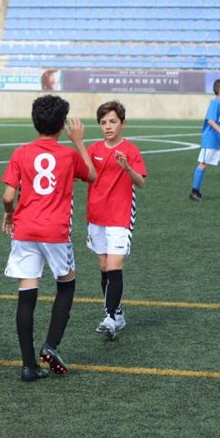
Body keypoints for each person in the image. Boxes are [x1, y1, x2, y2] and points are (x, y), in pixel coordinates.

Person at [0, 95, 96, 382]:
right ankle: (50, 345)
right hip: (55, 231)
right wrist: (78, 141)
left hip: (25, 230)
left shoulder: (21, 152)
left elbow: (8, 195)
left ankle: (28, 365)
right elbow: (91, 174)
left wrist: (9, 213)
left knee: (26, 294)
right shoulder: (68, 155)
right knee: (66, 284)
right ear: (62, 124)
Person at [86, 101, 146, 341]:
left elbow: (141, 182)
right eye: (103, 123)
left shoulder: (130, 150)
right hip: (96, 215)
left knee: (114, 265)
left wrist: (127, 168)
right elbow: (83, 174)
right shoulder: (93, 149)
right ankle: (118, 313)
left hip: (120, 215)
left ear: (123, 123)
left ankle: (110, 317)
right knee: (104, 266)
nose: (108, 126)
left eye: (112, 121)